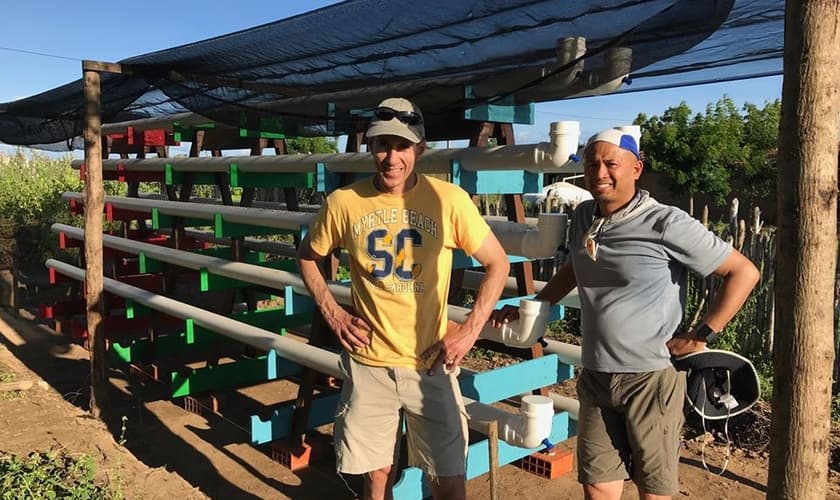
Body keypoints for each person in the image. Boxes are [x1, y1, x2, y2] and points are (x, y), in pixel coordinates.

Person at [491, 128, 759, 500]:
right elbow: (573, 268)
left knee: (653, 489)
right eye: (591, 164)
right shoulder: (584, 216)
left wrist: (702, 335)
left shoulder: (666, 222)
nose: (599, 172)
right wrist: (536, 305)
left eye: (610, 163)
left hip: (650, 379)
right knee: (598, 486)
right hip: (597, 374)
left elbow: (743, 272)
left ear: (636, 168)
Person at [297, 97, 509, 500]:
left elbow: (497, 264)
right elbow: (308, 256)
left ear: (420, 149)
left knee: (449, 480)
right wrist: (334, 315)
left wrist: (468, 332)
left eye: (402, 146)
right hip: (370, 366)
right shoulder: (345, 203)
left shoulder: (448, 200)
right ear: (370, 148)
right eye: (382, 145)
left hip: (430, 364)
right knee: (376, 477)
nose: (391, 157)